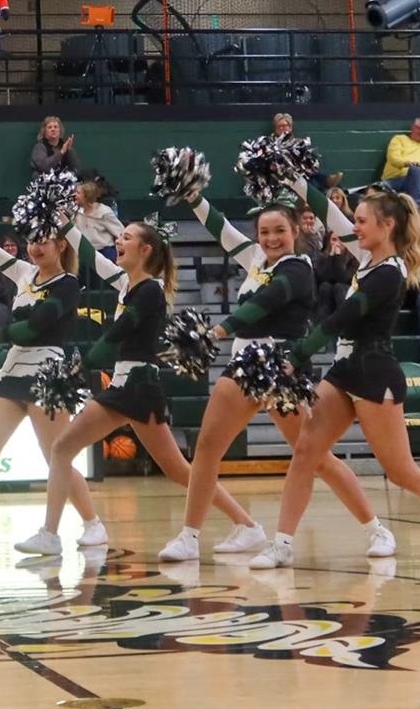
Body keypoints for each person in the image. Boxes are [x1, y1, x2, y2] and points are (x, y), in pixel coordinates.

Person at [252, 189, 420, 568]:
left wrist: (297, 355)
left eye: (363, 221)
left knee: (402, 472)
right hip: (343, 370)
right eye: (355, 221)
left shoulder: (390, 271)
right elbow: (330, 212)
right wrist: (298, 180)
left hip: (374, 373)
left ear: (387, 226)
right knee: (306, 451)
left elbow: (343, 318)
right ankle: (282, 544)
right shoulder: (369, 258)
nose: (354, 227)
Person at [162, 195, 395, 562]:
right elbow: (220, 228)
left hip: (282, 365)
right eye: (265, 232)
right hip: (243, 361)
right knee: (208, 446)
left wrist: (218, 331)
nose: (272, 239)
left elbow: (265, 303)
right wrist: (193, 198)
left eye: (280, 231)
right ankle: (193, 535)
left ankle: (376, 529)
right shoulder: (255, 260)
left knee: (316, 456)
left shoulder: (299, 268)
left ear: (295, 232)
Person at [15, 222, 246, 556]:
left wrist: (83, 364)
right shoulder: (128, 284)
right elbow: (92, 257)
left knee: (179, 470)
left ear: (145, 250)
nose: (117, 241)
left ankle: (245, 524)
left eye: (126, 237)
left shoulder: (150, 290)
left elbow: (119, 332)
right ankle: (50, 533)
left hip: (139, 386)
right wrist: (64, 221)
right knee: (62, 448)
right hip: (121, 385)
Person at [0, 216, 101, 548]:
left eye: (42, 242)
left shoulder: (68, 285)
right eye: (30, 241)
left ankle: (83, 526)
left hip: (47, 375)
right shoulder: (23, 272)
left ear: (61, 245)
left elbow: (35, 327)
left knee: (57, 458)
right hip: (12, 373)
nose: (34, 248)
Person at [380, 117, 420, 204]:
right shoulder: (399, 139)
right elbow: (393, 158)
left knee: (415, 170)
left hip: (414, 181)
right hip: (393, 180)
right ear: (413, 128)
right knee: (378, 188)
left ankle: (415, 207)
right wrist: (407, 163)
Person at [74, 178, 122, 252]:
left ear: (87, 196)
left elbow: (120, 233)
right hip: (86, 253)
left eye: (78, 193)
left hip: (105, 253)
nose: (75, 195)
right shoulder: (77, 212)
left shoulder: (104, 212)